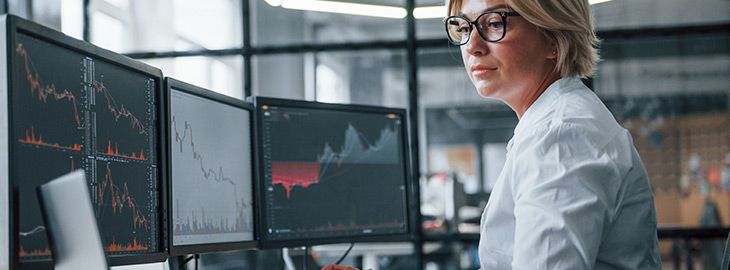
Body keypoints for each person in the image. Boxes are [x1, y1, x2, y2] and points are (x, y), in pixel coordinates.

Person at [323, 0, 661, 269]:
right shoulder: (550, 123)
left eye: (494, 23)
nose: (473, 46)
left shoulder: (561, 135)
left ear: (554, 39)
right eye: (464, 27)